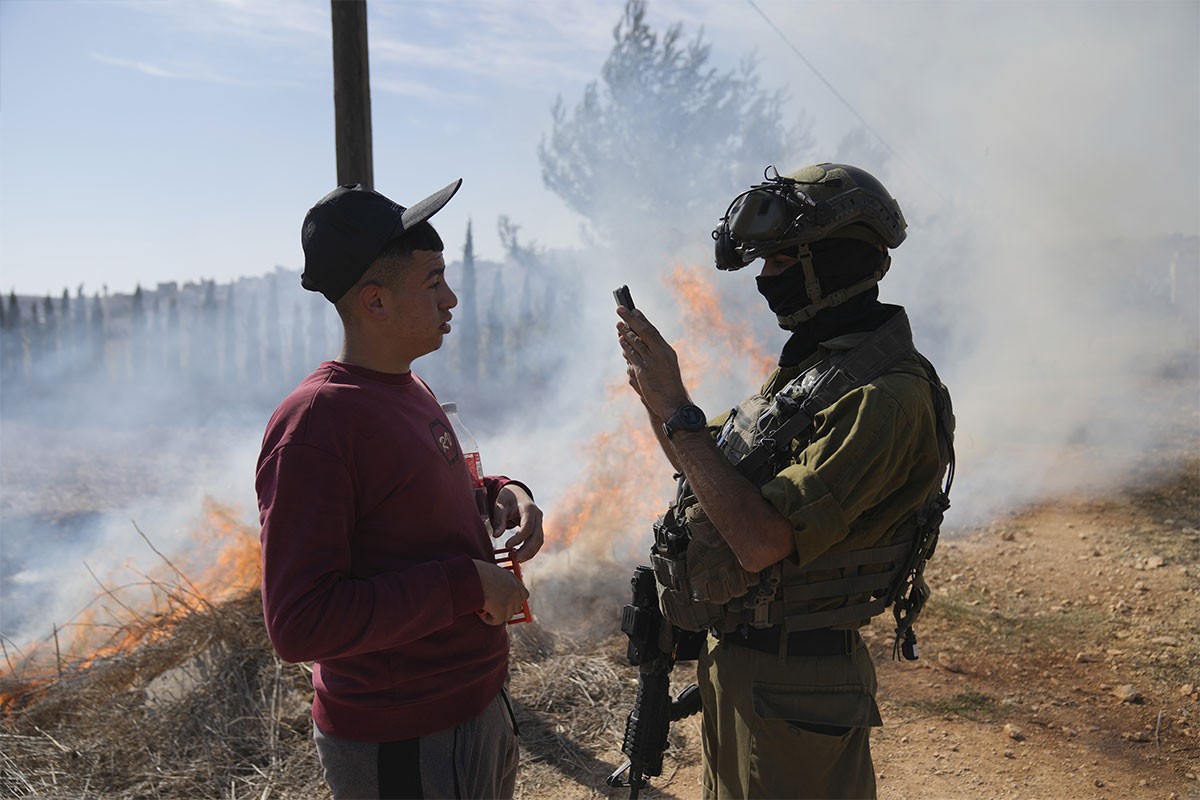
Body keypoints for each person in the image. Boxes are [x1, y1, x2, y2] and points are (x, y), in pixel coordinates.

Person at [615, 163, 955, 799]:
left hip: (796, 684)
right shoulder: (819, 373)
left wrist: (676, 413)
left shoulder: (884, 398)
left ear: (830, 263)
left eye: (777, 261)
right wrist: (660, 396)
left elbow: (760, 540)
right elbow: (704, 467)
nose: (764, 280)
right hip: (749, 667)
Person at [256, 179, 544, 800]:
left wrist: (501, 495)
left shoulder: (408, 388)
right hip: (404, 742)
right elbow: (300, 624)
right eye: (433, 279)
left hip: (476, 708)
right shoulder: (315, 425)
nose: (452, 297)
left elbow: (417, 506)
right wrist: (467, 585)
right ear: (376, 302)